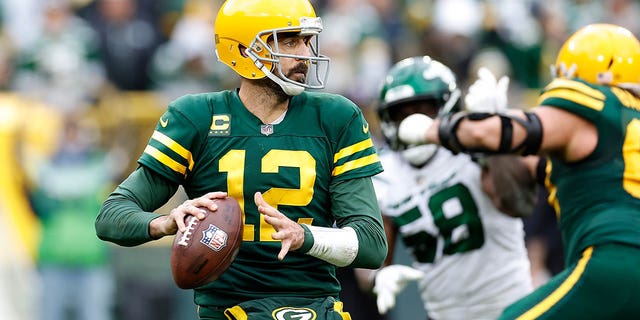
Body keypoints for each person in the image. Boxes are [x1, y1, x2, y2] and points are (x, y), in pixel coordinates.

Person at [95, 0, 388, 319]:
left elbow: (372, 244)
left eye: (306, 40)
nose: (304, 54)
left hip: (313, 306)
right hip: (229, 309)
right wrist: (166, 222)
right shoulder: (197, 117)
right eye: (289, 41)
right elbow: (111, 216)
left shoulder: (336, 117)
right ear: (246, 51)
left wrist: (305, 237)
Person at [398, 23, 640, 319]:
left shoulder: (596, 109)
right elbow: (534, 175)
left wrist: (432, 129)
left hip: (615, 257)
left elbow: (506, 132)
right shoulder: (626, 128)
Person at [355, 56, 534, 320]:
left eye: (423, 110)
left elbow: (518, 203)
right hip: (442, 314)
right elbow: (372, 261)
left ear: (447, 107)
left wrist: (496, 136)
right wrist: (378, 277)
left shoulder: (472, 150)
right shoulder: (385, 173)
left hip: (511, 307)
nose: (409, 122)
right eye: (400, 113)